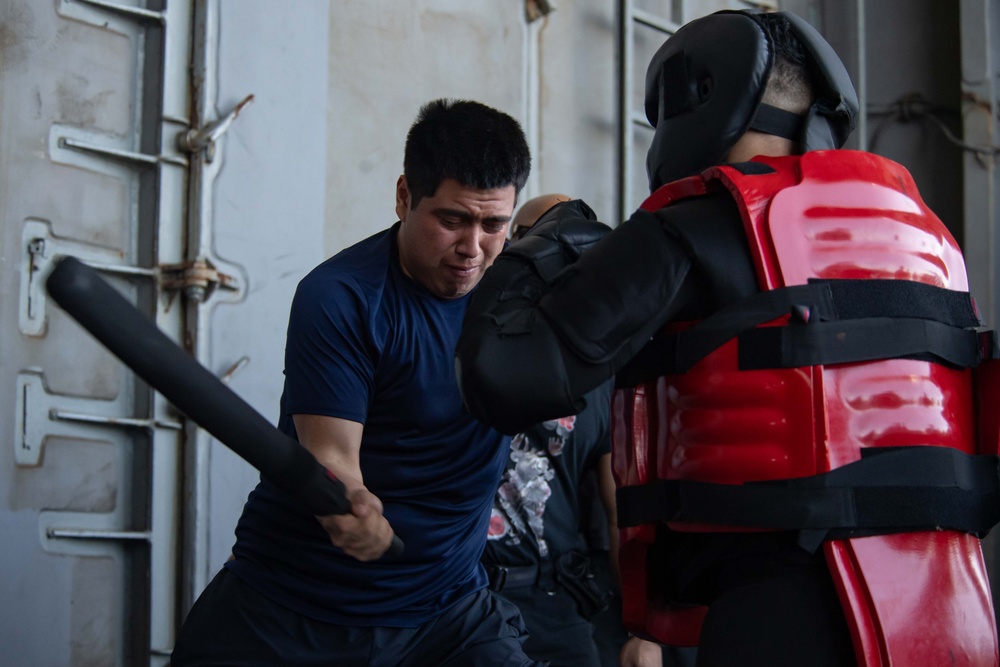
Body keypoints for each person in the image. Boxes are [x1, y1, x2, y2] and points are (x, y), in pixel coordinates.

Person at [456, 10, 1000, 667]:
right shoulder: (929, 238)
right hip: (950, 613)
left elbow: (503, 375)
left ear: (701, 98)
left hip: (781, 613)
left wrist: (547, 237)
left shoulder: (700, 224)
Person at [171, 98, 543, 667]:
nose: (473, 248)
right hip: (296, 609)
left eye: (493, 224)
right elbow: (332, 458)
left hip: (447, 611)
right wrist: (350, 505)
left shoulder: (520, 295)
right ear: (403, 197)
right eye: (452, 220)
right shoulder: (343, 297)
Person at [482, 194, 671, 667]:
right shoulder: (459, 341)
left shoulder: (605, 371)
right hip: (463, 596)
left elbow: (621, 512)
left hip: (553, 600)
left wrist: (641, 629)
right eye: (537, 237)